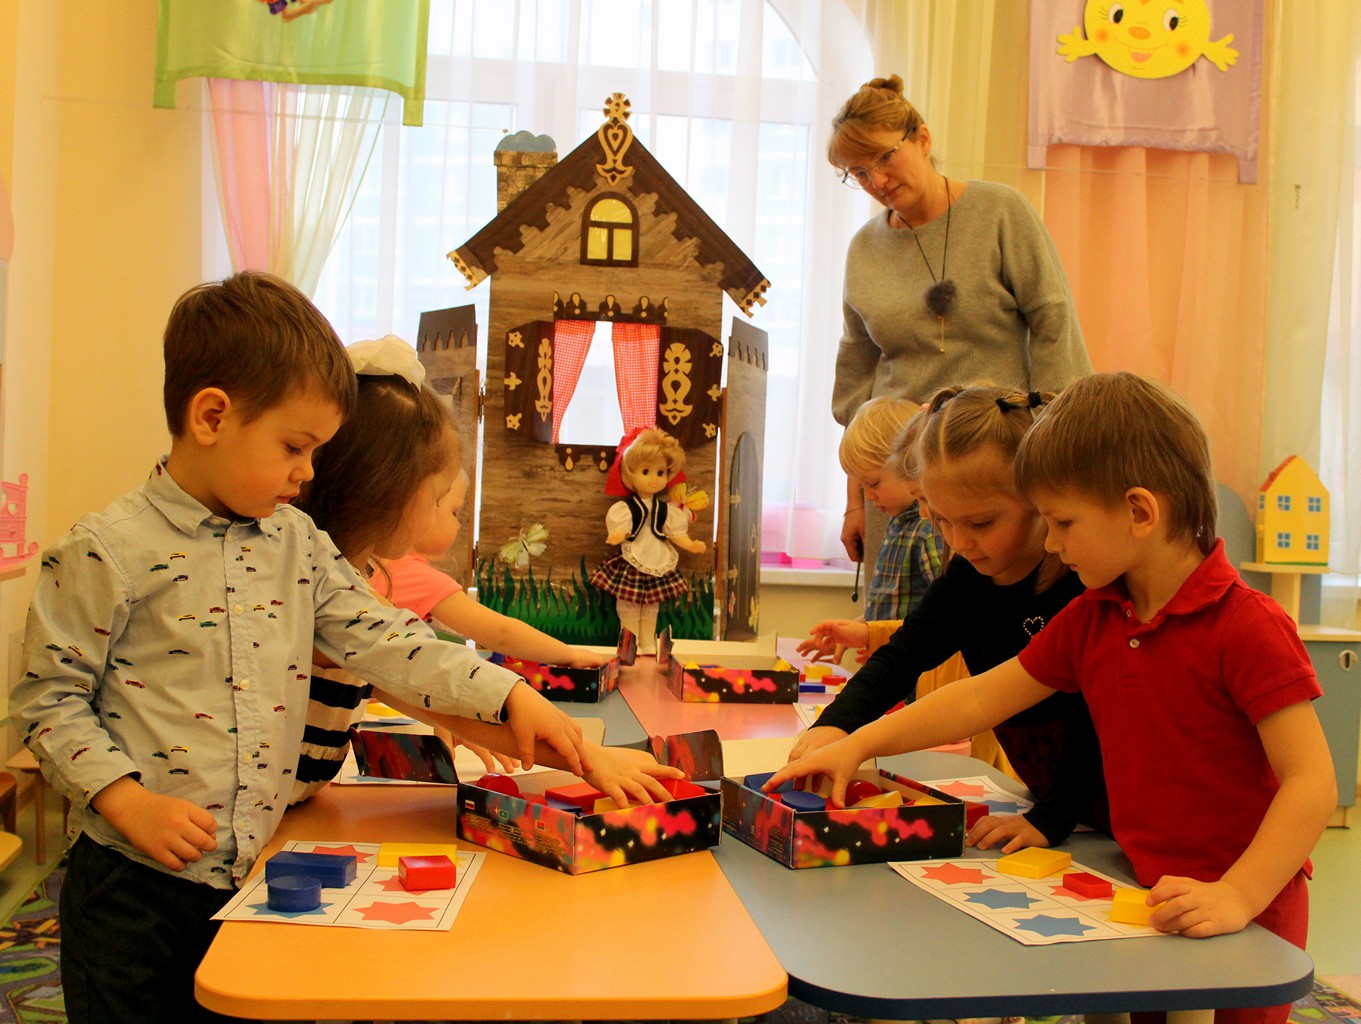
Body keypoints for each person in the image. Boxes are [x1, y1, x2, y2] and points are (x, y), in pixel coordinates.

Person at [9, 272, 589, 1024]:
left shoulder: (298, 543)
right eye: (294, 446)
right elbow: (48, 701)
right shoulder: (104, 550)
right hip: (133, 883)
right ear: (211, 416)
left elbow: (387, 640)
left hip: (254, 869)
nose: (308, 472)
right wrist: (128, 801)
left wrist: (509, 694)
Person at [770, 372, 1335, 1024]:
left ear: (1139, 512)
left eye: (1062, 522)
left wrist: (1238, 894)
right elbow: (978, 700)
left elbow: (1311, 783)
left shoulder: (1248, 625)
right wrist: (855, 742)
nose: (1051, 543)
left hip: (1249, 900)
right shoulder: (1094, 617)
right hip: (1145, 884)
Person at [293, 335, 679, 807]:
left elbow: (411, 684)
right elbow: (415, 662)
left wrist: (577, 753)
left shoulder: (339, 577)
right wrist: (559, 733)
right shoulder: (319, 587)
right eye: (439, 498)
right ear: (386, 492)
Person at [791, 384, 1107, 853]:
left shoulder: (1082, 586)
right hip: (1056, 813)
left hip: (1099, 813)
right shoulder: (968, 577)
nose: (958, 542)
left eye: (980, 523)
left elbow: (1097, 719)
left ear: (1040, 500)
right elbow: (902, 657)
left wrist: (1053, 816)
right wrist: (835, 727)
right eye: (939, 519)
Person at [828, 74, 1092, 570]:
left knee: (993, 607)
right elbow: (856, 387)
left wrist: (1050, 456)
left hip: (996, 471)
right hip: (898, 485)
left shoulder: (1001, 212)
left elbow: (1054, 324)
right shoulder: (863, 248)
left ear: (923, 140)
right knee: (901, 613)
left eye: (885, 157)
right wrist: (856, 501)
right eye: (858, 173)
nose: (876, 181)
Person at [588, 427, 707, 655]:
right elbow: (621, 528)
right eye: (646, 471)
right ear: (629, 473)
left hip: (656, 559)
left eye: (660, 473)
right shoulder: (625, 509)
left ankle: (647, 642)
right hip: (633, 560)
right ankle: (629, 643)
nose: (654, 479)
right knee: (629, 604)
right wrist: (618, 535)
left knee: (652, 605)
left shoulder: (666, 510)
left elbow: (675, 533)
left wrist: (690, 544)